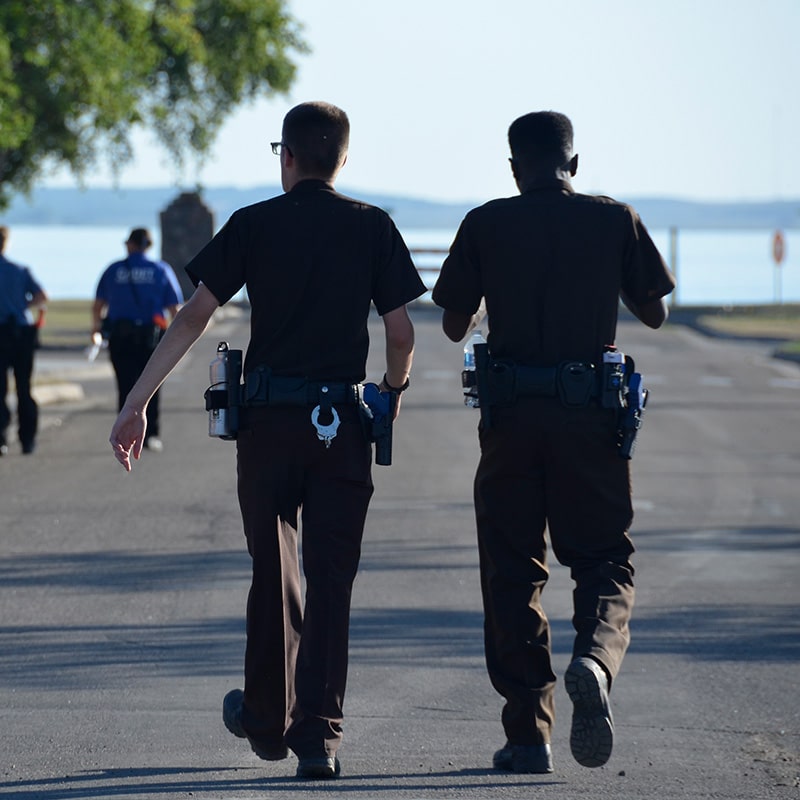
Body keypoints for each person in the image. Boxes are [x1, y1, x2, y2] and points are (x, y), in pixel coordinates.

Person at [108, 101, 426, 779]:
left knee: (272, 573)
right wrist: (390, 395)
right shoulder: (373, 227)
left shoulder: (253, 224)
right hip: (341, 423)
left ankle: (265, 719)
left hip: (269, 424)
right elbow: (401, 333)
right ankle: (318, 738)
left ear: (286, 156)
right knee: (331, 580)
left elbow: (195, 315)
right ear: (342, 158)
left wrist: (136, 402)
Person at [432, 111, 675, 775]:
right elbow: (654, 311)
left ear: (514, 167)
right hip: (590, 422)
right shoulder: (613, 218)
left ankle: (528, 737)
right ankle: (595, 659)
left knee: (512, 572)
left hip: (510, 423)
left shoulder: (486, 221)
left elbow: (454, 324)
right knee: (602, 559)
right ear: (575, 160)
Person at [92, 227, 183, 453]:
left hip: (120, 337)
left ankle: (122, 433)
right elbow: (175, 309)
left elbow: (98, 306)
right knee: (151, 386)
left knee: (124, 386)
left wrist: (96, 329)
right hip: (151, 338)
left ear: (131, 244)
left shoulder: (114, 270)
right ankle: (151, 434)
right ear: (148, 246)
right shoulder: (160, 270)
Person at [0, 225, 49, 456]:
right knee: (23, 387)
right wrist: (22, 305)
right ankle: (27, 439)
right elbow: (42, 296)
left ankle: (1, 438)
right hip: (20, 332)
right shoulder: (19, 270)